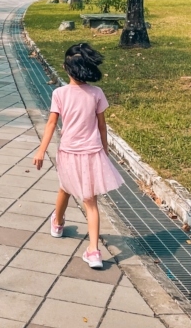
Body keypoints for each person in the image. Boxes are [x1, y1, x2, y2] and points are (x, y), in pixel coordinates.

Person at [33, 43, 124, 269]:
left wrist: (41, 150)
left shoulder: (59, 93)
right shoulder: (97, 94)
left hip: (69, 151)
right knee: (90, 201)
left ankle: (58, 223)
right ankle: (93, 251)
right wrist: (104, 151)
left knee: (65, 186)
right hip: (92, 152)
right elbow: (102, 127)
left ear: (66, 68)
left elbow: (51, 123)